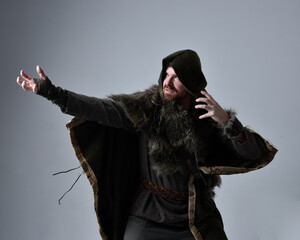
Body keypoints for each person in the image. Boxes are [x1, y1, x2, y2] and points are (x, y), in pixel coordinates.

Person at [16, 49, 277, 240]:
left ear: (191, 84)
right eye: (167, 74)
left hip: (195, 218)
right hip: (148, 217)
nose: (167, 81)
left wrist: (229, 122)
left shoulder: (207, 121)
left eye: (176, 77)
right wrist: (53, 93)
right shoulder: (146, 109)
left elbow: (251, 153)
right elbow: (100, 108)